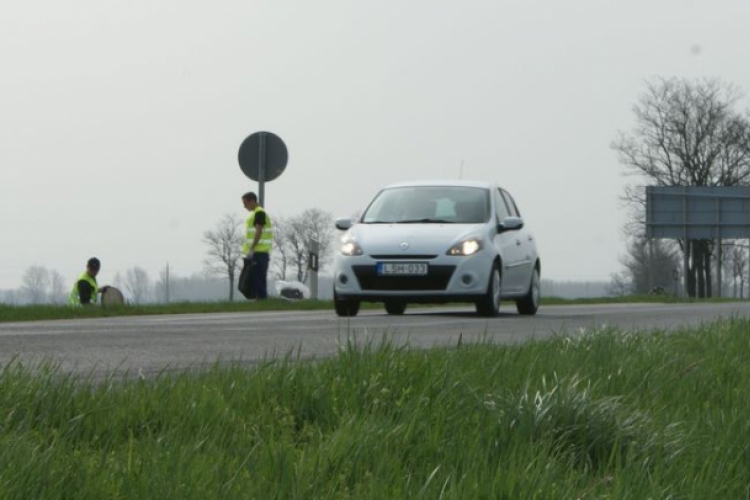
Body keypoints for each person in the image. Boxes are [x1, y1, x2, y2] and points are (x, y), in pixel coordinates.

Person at [241, 191, 274, 300]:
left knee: (258, 278)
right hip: (258, 252)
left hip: (258, 252)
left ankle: (261, 299)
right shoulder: (255, 213)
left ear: (252, 201)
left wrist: (251, 249)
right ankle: (260, 299)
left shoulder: (259, 213)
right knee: (256, 278)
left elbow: (258, 232)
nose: (244, 206)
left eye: (245, 203)